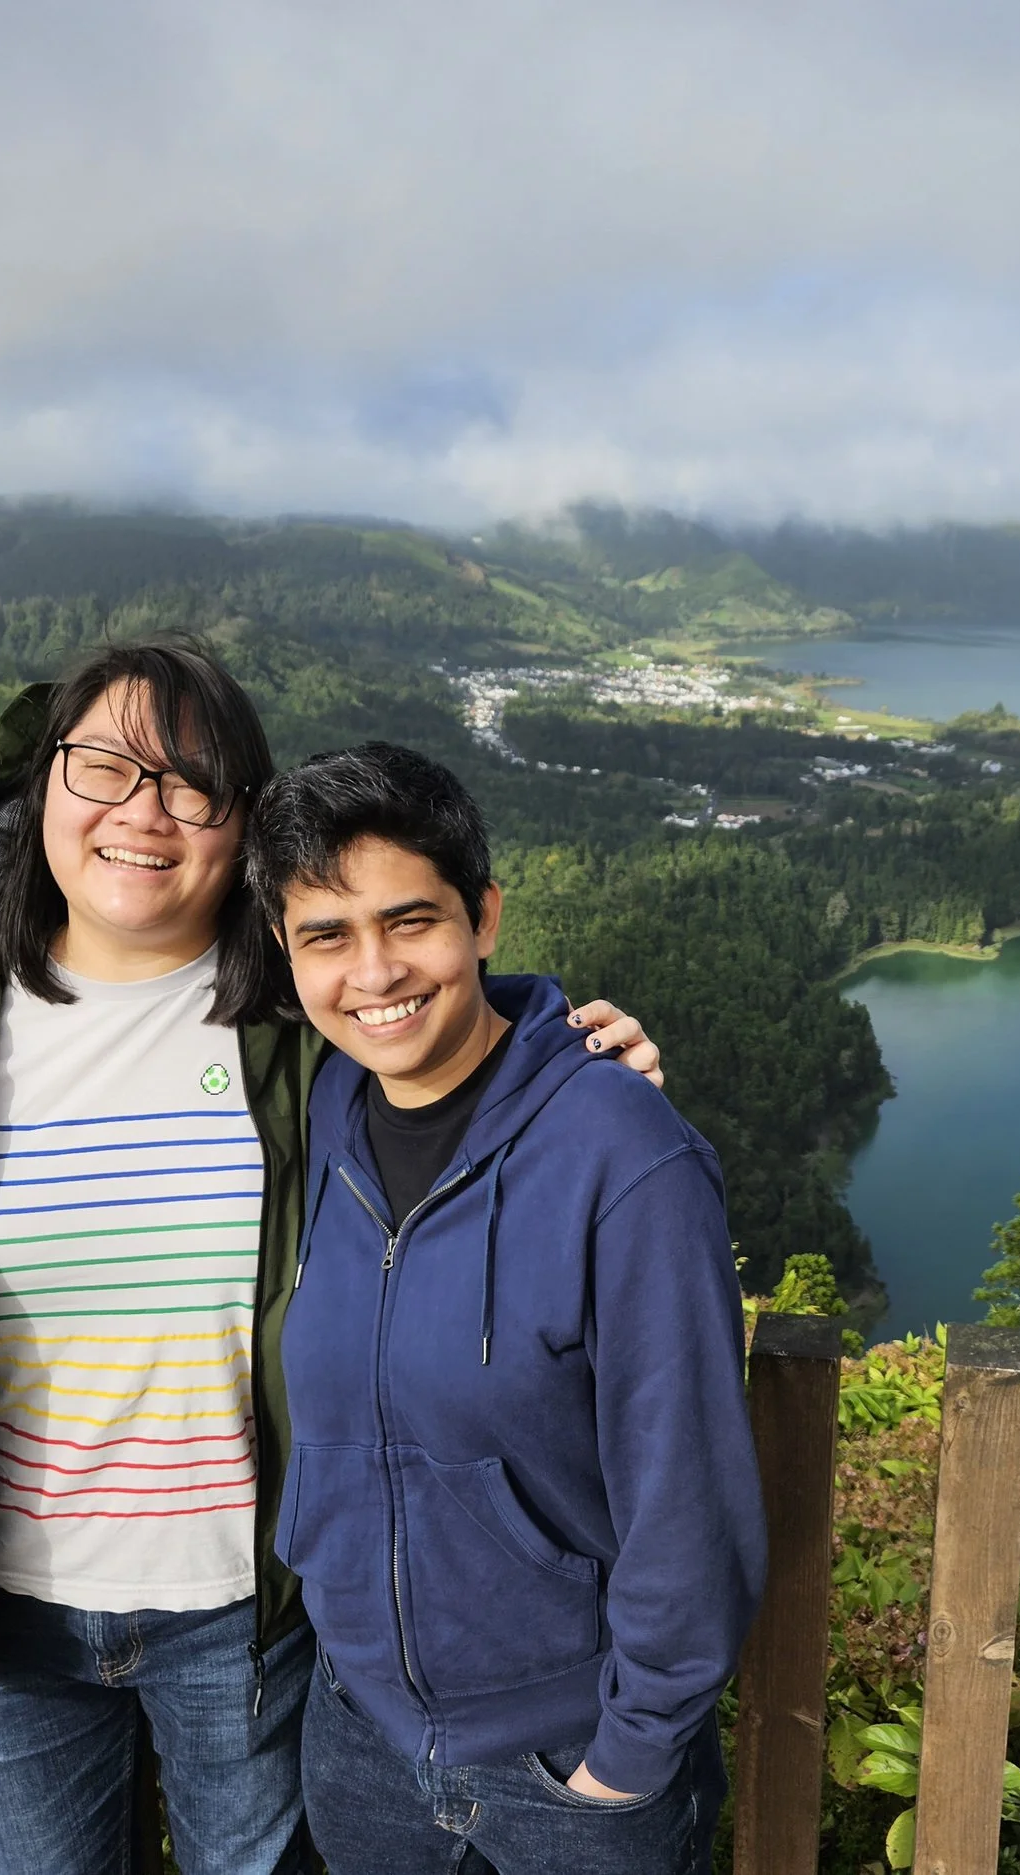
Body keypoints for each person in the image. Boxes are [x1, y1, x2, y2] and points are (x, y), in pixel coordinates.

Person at [0, 640, 663, 1875]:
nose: (141, 813)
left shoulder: (301, 1029)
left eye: (191, 784)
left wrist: (565, 1053)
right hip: (3, 1613)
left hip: (248, 1612)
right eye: (104, 766)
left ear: (243, 826)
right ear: (40, 786)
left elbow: (422, 1004)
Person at [247, 742, 764, 1875]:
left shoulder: (621, 1153)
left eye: (410, 921)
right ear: (287, 961)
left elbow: (688, 1495)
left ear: (483, 918)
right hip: (361, 1743)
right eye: (326, 936)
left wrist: (624, 1764)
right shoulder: (324, 1108)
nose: (373, 973)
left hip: (568, 1766)